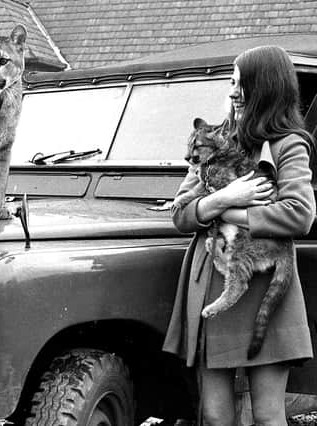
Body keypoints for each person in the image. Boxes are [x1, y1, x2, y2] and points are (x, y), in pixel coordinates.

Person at [163, 45, 316, 426]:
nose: (232, 92)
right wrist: (225, 198)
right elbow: (181, 212)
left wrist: (230, 210)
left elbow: (300, 214)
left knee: (267, 417)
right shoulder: (214, 138)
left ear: (264, 87)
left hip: (265, 284)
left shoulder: (288, 144)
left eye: (241, 84)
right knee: (215, 417)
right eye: (231, 83)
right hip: (214, 286)